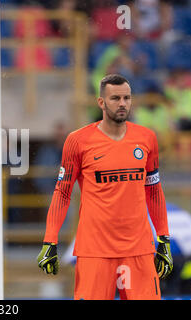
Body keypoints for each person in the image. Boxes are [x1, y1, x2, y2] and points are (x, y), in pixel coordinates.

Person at [37, 74, 173, 300]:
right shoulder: (78, 141)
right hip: (95, 252)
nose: (122, 104)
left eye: (127, 98)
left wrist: (164, 238)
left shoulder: (146, 138)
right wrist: (50, 239)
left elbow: (154, 190)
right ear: (101, 102)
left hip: (138, 249)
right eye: (115, 98)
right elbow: (63, 192)